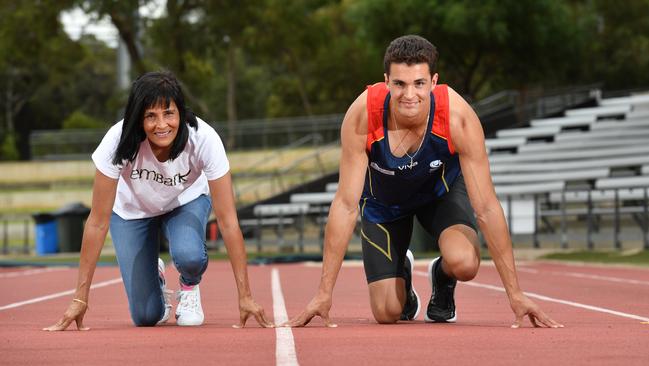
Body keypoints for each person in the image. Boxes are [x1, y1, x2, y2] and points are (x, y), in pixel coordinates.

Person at [285, 35, 563, 328]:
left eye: (419, 83)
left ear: (433, 82)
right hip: (384, 204)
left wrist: (515, 294)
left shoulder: (458, 118)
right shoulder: (363, 115)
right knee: (386, 312)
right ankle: (401, 274)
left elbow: (487, 207)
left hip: (439, 194)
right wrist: (323, 293)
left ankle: (442, 278)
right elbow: (344, 205)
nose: (409, 95)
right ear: (386, 81)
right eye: (399, 84)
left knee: (465, 264)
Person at [44, 71, 273, 330]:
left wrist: (245, 296)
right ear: (137, 118)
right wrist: (79, 298)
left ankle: (189, 285)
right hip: (132, 211)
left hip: (184, 201)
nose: (161, 125)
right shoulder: (117, 140)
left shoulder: (204, 139)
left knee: (190, 256)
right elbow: (97, 222)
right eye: (150, 116)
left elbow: (229, 222)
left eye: (168, 113)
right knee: (145, 317)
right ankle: (156, 276)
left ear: (181, 113)